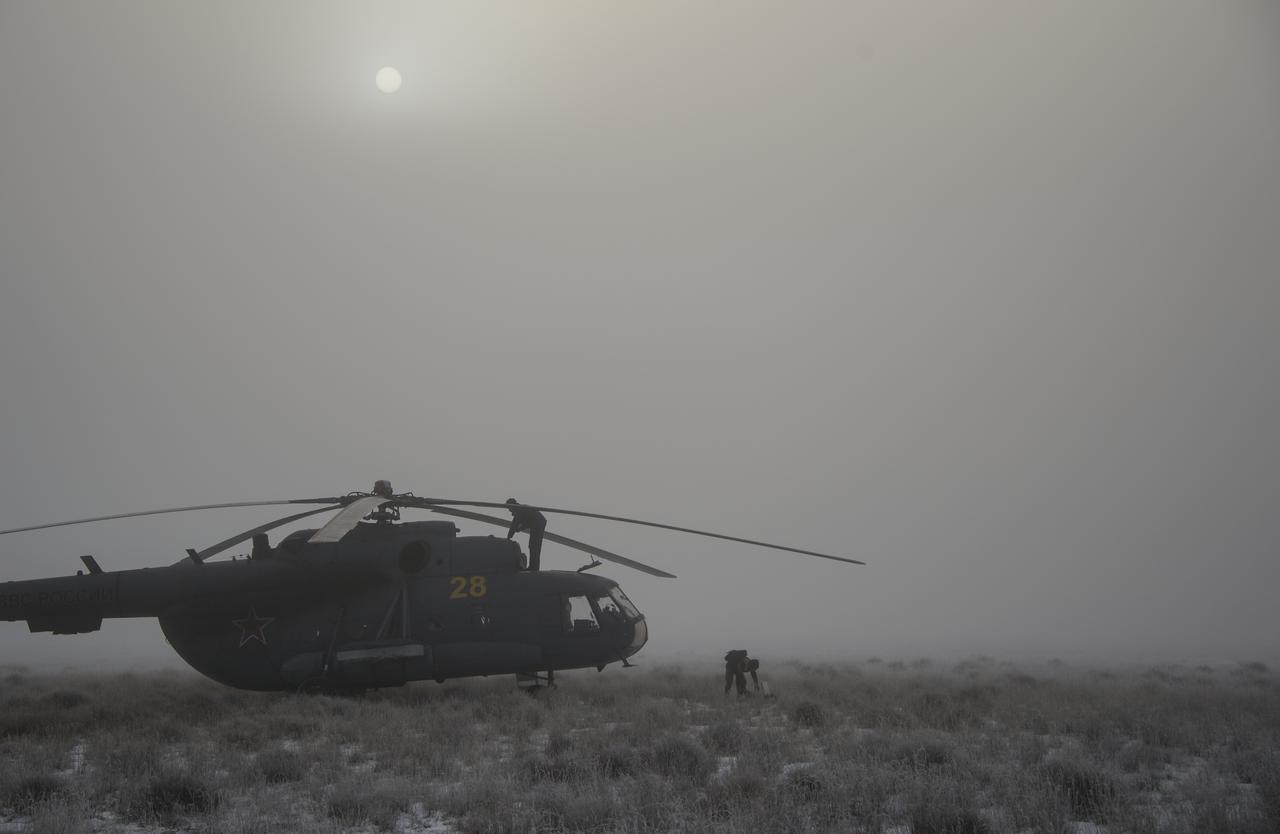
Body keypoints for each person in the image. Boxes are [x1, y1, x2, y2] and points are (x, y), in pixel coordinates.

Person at [506, 498, 547, 571]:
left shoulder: (519, 510)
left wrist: (508, 538)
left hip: (538, 524)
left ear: (512, 505)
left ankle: (534, 567)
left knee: (533, 545)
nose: (509, 510)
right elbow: (528, 521)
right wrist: (519, 528)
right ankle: (534, 567)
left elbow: (514, 524)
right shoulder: (521, 509)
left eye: (509, 508)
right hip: (538, 523)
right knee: (534, 545)